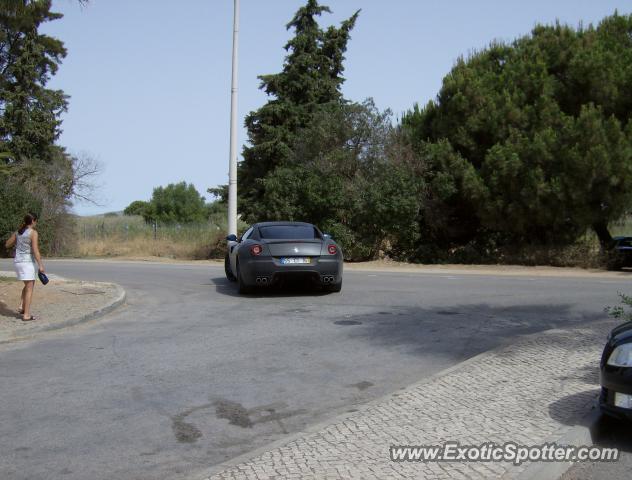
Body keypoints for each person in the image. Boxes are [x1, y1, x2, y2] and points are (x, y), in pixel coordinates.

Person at [4, 213, 45, 321]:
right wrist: (40, 265)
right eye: (36, 221)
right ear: (33, 221)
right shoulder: (33, 233)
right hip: (27, 263)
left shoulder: (18, 232)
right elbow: (35, 250)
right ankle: (26, 315)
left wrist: (18, 242)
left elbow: (7, 244)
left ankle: (22, 307)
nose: (36, 223)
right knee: (30, 288)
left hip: (18, 262)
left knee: (28, 285)